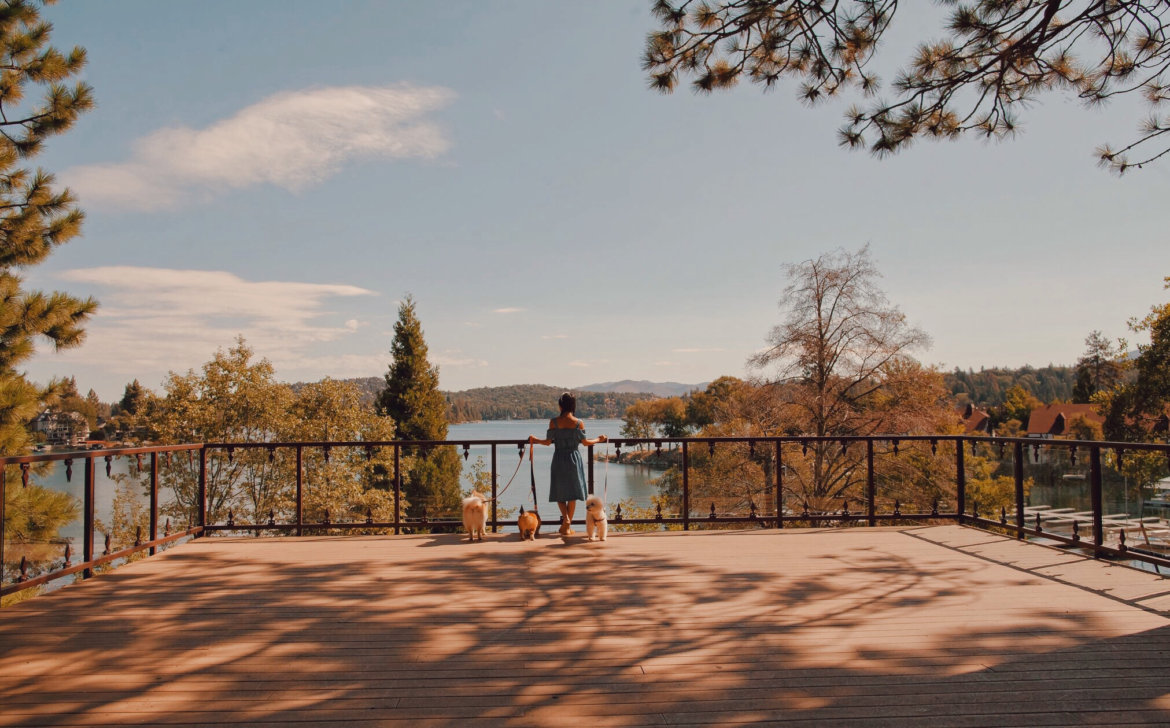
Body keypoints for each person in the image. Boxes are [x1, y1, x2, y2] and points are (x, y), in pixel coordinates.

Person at [528, 392, 608, 535]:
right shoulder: (578, 423)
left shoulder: (554, 422)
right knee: (572, 494)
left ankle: (566, 520)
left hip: (559, 458)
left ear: (561, 405)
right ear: (573, 406)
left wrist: (534, 439)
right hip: (574, 459)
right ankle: (567, 526)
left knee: (560, 492)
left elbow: (547, 443)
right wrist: (598, 439)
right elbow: (585, 443)